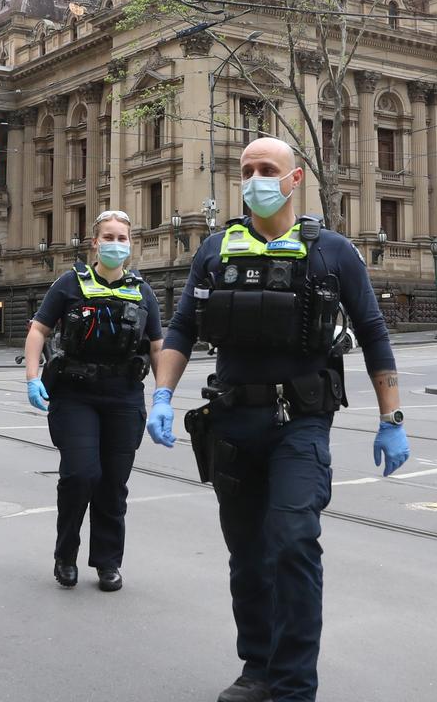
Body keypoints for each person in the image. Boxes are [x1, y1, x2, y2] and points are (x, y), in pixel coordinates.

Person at [146, 137, 410, 702]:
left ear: (294, 181)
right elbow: (182, 330)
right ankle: (258, 668)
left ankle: (293, 686)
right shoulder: (215, 251)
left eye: (268, 170)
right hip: (233, 422)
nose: (256, 179)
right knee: (246, 554)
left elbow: (373, 332)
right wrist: (162, 395)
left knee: (292, 542)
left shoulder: (334, 252)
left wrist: (393, 415)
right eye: (247, 170)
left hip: (301, 423)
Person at [24, 210, 162, 592]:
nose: (116, 243)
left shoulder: (143, 290)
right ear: (94, 243)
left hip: (123, 396)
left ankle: (107, 563)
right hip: (75, 395)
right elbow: (38, 330)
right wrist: (32, 377)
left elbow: (157, 345)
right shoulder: (69, 284)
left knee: (113, 484)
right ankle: (65, 554)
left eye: (123, 237)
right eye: (109, 237)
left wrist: (163, 395)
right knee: (80, 475)